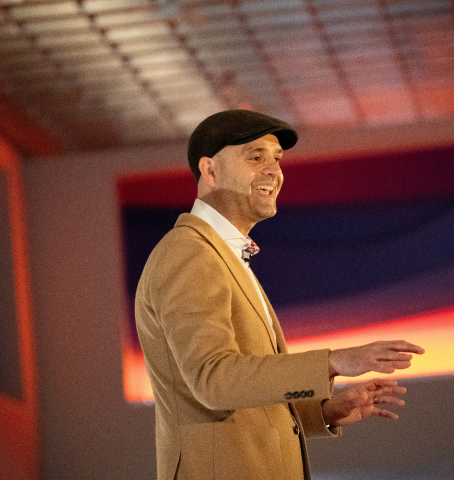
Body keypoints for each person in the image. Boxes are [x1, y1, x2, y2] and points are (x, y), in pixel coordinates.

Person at [135, 109, 425, 480]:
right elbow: (213, 379)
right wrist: (333, 361)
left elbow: (241, 391)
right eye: (255, 157)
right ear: (210, 171)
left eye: (277, 158)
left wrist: (322, 412)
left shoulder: (221, 255)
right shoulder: (190, 253)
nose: (274, 170)